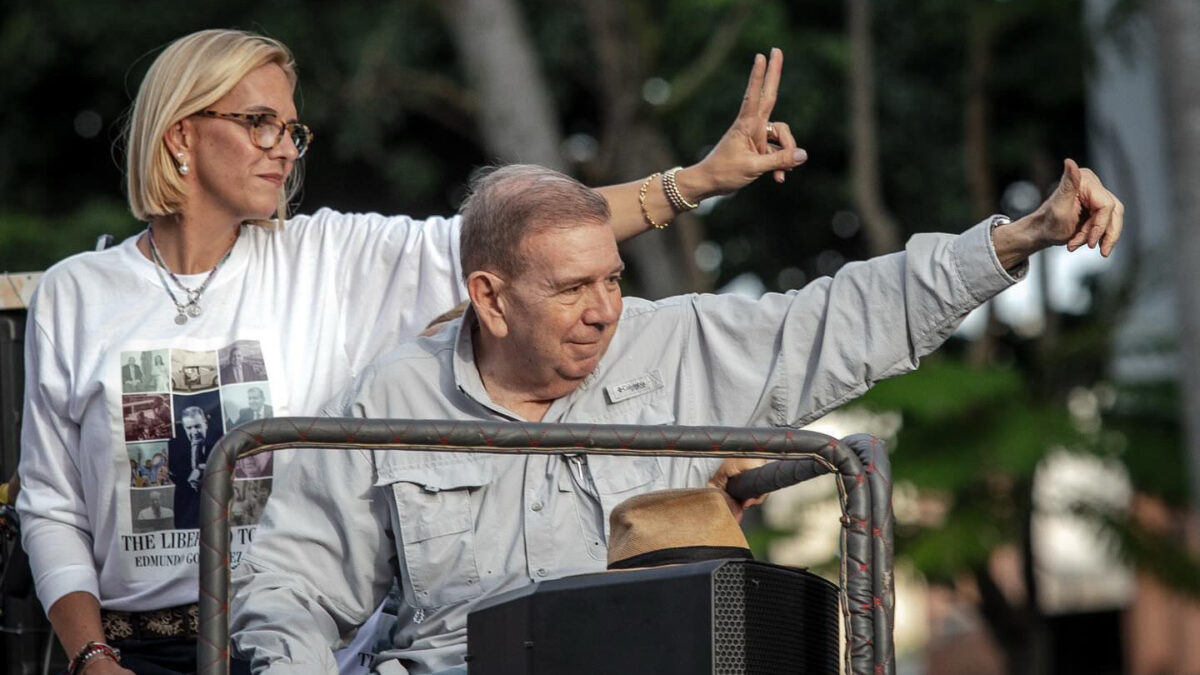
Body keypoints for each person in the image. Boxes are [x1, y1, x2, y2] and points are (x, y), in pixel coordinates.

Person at [15, 28, 804, 675]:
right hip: (127, 654)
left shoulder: (329, 256)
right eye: (259, 123)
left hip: (294, 649)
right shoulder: (75, 292)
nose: (284, 148)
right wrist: (91, 657)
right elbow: (51, 506)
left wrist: (697, 181)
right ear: (182, 132)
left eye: (292, 129)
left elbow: (529, 239)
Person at [230, 161, 1122, 674]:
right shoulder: (389, 398)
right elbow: (292, 587)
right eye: (572, 287)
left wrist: (1017, 238)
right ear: (490, 298)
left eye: (613, 279)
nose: (604, 310)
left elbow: (841, 318)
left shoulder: (674, 342)